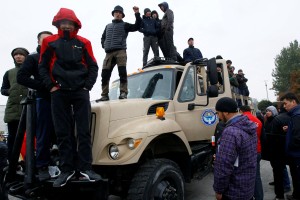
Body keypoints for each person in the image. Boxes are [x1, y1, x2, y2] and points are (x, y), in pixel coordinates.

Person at [39, 8, 101, 187]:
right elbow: (42, 66)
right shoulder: (49, 42)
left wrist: (87, 86)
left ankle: (85, 168)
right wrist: (51, 86)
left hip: (80, 91)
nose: (66, 25)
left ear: (75, 24)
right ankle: (66, 169)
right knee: (62, 132)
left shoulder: (84, 42)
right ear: (58, 24)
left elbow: (93, 66)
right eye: (63, 22)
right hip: (59, 92)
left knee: (83, 131)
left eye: (69, 22)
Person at [17, 31, 54, 181]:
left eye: (50, 39)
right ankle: (42, 165)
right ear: (38, 42)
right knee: (43, 133)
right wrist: (43, 86)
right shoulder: (33, 58)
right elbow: (21, 77)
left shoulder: (57, 57)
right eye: (44, 40)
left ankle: (64, 163)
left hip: (61, 100)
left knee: (64, 132)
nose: (47, 42)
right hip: (44, 98)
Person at [213, 97, 257, 200]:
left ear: (226, 112)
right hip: (247, 188)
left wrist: (219, 190)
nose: (218, 116)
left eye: (218, 113)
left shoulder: (231, 132)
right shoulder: (248, 126)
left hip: (233, 192)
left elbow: (224, 166)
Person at [99, 5, 141, 101]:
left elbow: (137, 26)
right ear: (113, 14)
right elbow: (103, 37)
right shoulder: (108, 26)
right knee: (104, 74)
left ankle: (123, 92)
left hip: (120, 51)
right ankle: (104, 95)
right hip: (108, 53)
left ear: (122, 15)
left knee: (122, 72)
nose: (118, 14)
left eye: (120, 13)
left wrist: (137, 13)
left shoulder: (125, 25)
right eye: (116, 12)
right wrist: (104, 45)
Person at [1, 47, 29, 160]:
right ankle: (12, 163)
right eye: (16, 54)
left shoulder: (32, 71)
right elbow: (3, 89)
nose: (18, 56)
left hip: (29, 109)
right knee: (13, 138)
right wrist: (12, 91)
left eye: (21, 54)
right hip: (13, 110)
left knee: (31, 138)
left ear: (26, 57)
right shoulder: (9, 73)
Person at [240, 105, 263, 200]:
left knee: (244, 177)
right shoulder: (258, 121)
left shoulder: (241, 120)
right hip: (257, 150)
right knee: (257, 176)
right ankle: (259, 197)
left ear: (241, 111)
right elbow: (261, 136)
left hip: (246, 152)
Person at [268, 104, 291, 199]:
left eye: (269, 111)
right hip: (282, 149)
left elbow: (273, 136)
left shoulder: (277, 119)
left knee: (281, 170)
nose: (267, 112)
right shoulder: (271, 119)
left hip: (278, 150)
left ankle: (284, 188)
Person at [280, 92, 300, 200]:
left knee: (297, 178)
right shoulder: (295, 115)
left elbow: (298, 138)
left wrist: (290, 149)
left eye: (285, 103)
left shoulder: (297, 115)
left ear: (293, 102)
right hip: (295, 155)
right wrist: (289, 130)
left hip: (296, 155)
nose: (284, 106)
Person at [0, 133, 8, 200]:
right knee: (3, 184)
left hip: (1, 166)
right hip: (3, 166)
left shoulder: (2, 145)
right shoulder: (4, 144)